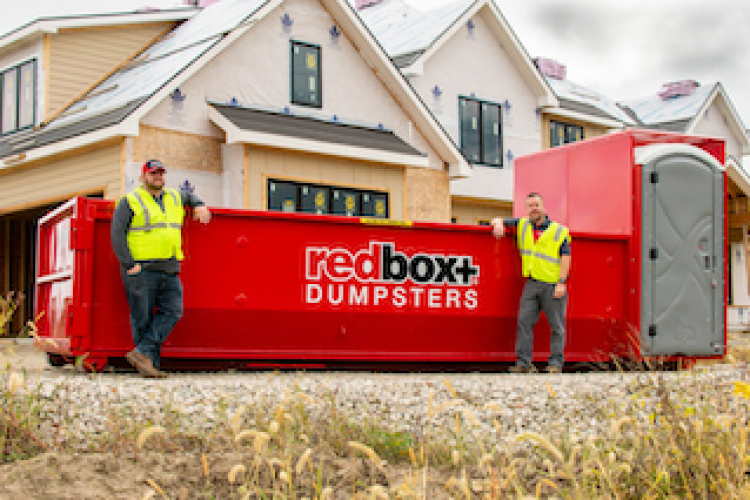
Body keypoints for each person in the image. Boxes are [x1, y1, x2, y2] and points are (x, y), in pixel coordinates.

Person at [111, 159, 211, 378]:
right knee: (142, 319)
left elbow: (188, 196)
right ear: (143, 176)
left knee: (174, 311)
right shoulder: (130, 201)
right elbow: (117, 234)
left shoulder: (174, 197)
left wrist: (199, 204)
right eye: (153, 173)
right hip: (141, 269)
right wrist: (130, 265)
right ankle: (150, 366)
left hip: (169, 268)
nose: (158, 176)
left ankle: (141, 352)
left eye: (161, 173)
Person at [491, 192, 571, 374]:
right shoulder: (522, 225)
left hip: (552, 284)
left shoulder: (559, 230)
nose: (533, 208)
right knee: (524, 322)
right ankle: (524, 363)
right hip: (532, 282)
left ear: (543, 207)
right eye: (530, 206)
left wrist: (561, 282)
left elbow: (566, 257)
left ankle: (555, 364)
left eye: (536, 205)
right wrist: (497, 224)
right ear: (527, 209)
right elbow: (498, 219)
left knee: (557, 326)